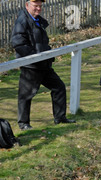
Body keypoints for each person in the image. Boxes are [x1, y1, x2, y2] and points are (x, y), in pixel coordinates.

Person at [11, 0, 75, 130]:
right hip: (31, 66)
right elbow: (18, 44)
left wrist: (47, 52)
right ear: (27, 5)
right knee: (26, 95)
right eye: (36, 6)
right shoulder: (22, 21)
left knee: (59, 87)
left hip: (44, 65)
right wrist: (34, 57)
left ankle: (60, 118)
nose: (39, 9)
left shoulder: (37, 20)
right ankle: (23, 124)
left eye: (40, 6)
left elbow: (40, 41)